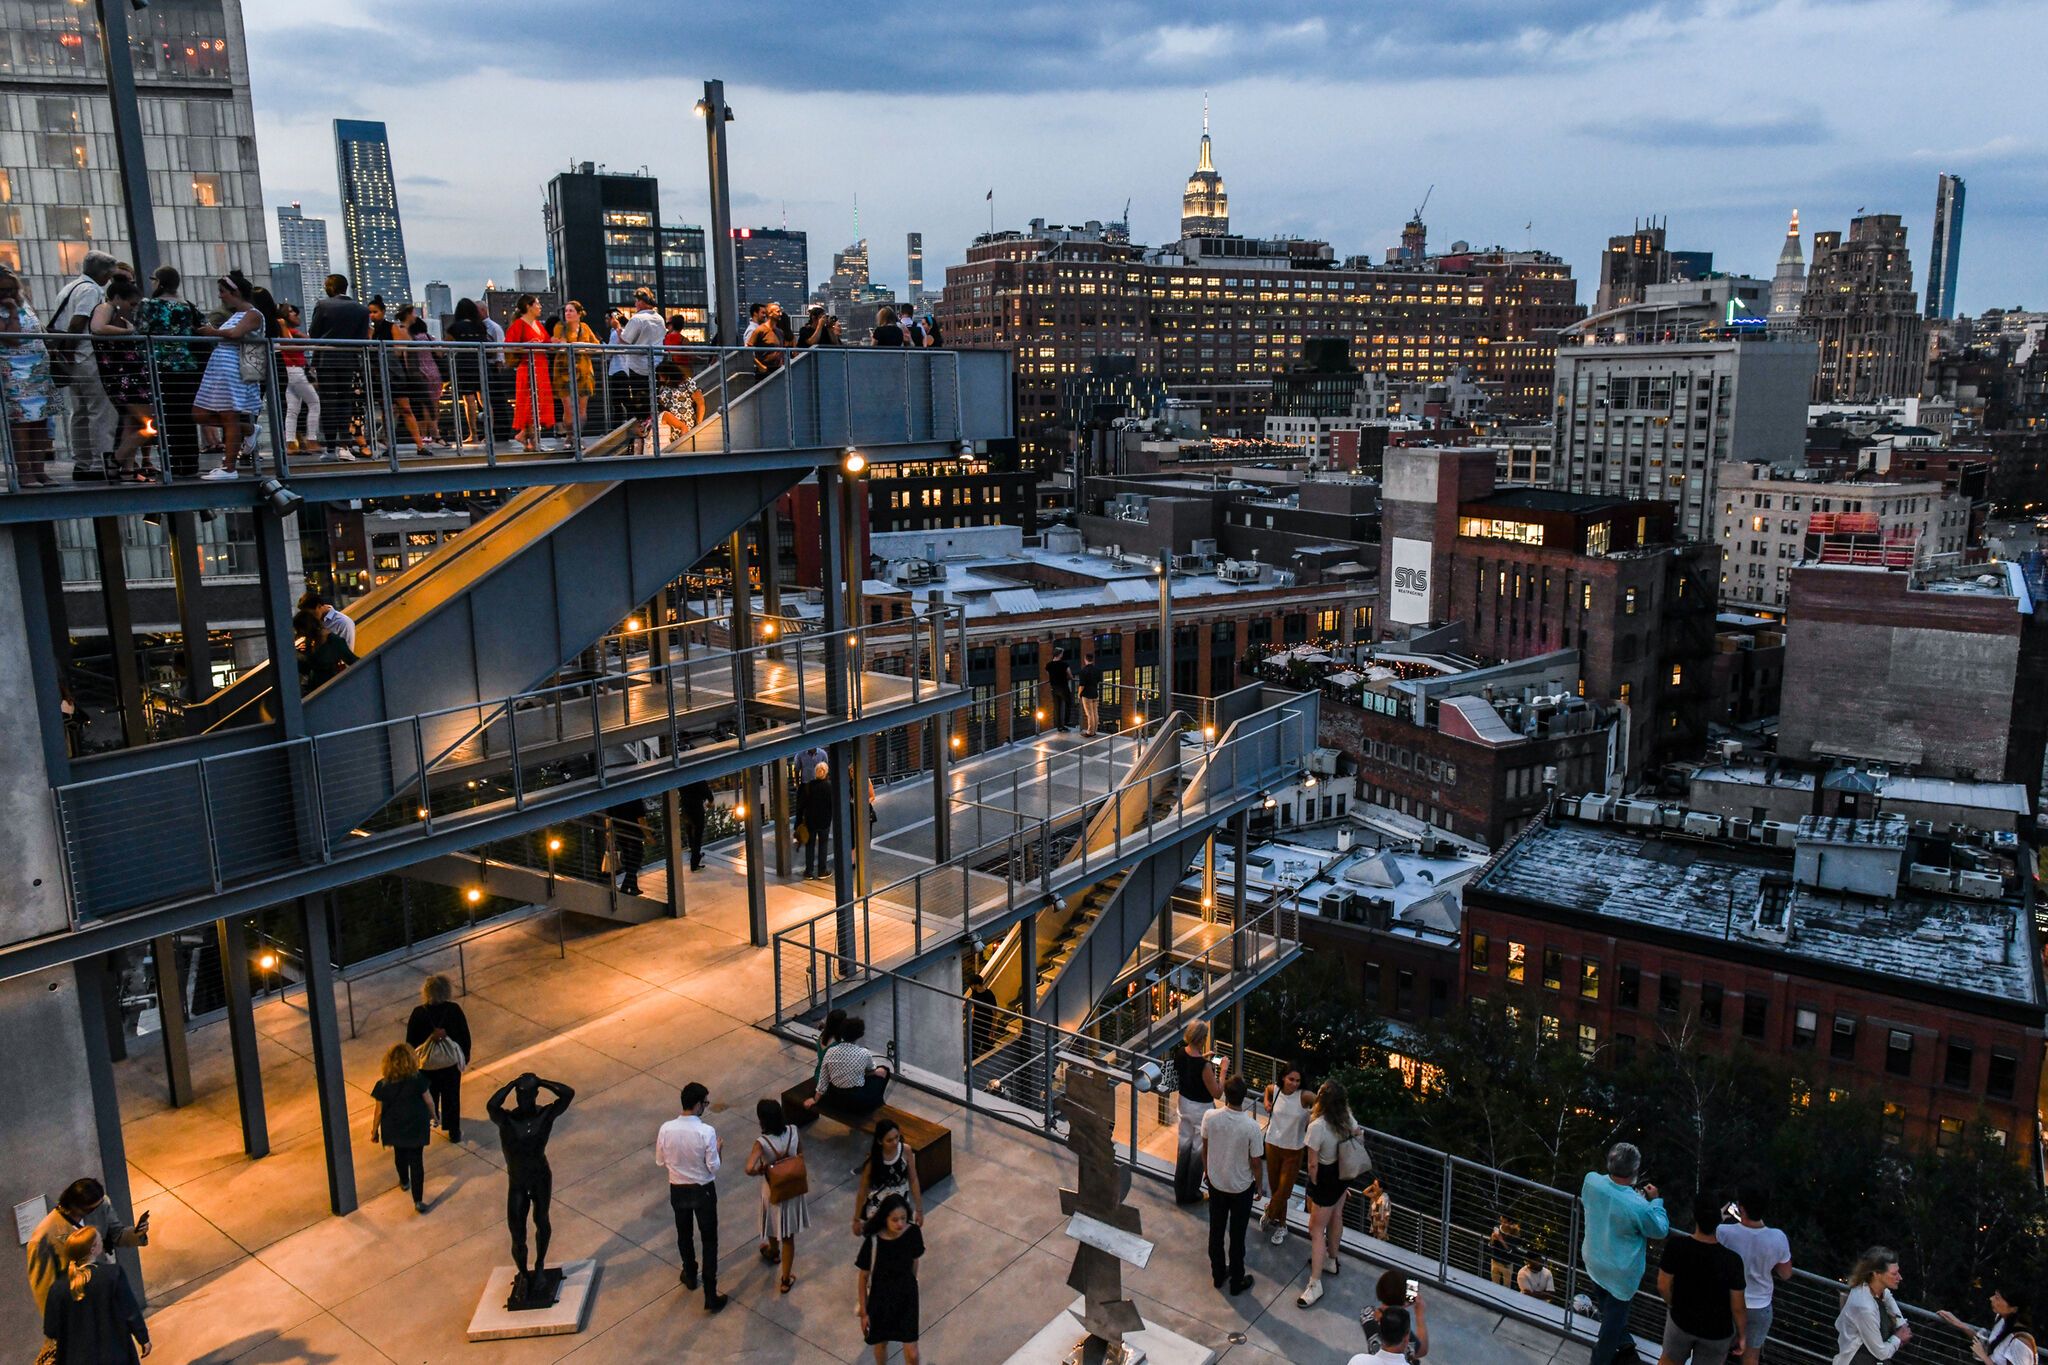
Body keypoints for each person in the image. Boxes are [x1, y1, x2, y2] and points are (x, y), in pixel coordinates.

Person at [25, 1178, 149, 1342]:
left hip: (104, 1296)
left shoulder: (101, 1205)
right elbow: (45, 1291)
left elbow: (117, 1234)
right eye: (90, 1209)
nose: (98, 1209)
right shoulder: (44, 1238)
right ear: (74, 1205)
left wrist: (137, 1234)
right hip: (78, 1309)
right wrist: (59, 1329)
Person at [1580, 1142, 1670, 1365]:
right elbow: (1660, 1229)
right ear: (1634, 1172)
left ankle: (1626, 1343)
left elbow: (1608, 1193)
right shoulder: (1638, 1205)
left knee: (1610, 1315)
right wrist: (1656, 1201)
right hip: (1620, 1275)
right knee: (1609, 1332)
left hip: (1594, 1260)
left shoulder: (1591, 1181)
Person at [486, 1073, 575, 1295]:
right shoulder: (507, 1120)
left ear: (535, 1095)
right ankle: (524, 1274)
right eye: (519, 1095)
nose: (521, 1099)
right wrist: (510, 1084)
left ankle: (540, 1265)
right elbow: (491, 1105)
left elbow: (567, 1094)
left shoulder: (544, 1116)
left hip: (540, 1177)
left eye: (526, 1095)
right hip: (517, 1181)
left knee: (541, 1219)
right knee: (517, 1232)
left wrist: (542, 1081)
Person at [656, 1081, 727, 1312]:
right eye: (705, 1103)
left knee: (683, 1233)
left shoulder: (666, 1128)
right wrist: (718, 1149)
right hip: (703, 1190)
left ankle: (689, 1272)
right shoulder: (706, 1132)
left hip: (677, 1188)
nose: (705, 1107)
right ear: (697, 1105)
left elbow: (660, 1160)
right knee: (709, 1240)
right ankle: (710, 1293)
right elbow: (713, 1167)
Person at [48, 250, 118, 480]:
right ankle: (99, 464)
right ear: (105, 273)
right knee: (101, 411)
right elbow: (79, 320)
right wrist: (70, 350)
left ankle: (82, 462)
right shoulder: (91, 290)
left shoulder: (69, 288)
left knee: (78, 412)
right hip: (86, 357)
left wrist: (65, 352)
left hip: (72, 359)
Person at [134, 266, 209, 476]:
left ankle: (173, 464)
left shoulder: (149, 305)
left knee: (167, 417)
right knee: (186, 417)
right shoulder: (188, 306)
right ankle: (190, 464)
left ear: (159, 282)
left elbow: (139, 330)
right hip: (188, 368)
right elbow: (203, 327)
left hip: (161, 367)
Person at [192, 271, 265, 480]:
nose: (221, 296)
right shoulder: (238, 315)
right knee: (200, 414)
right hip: (222, 370)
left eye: (223, 292)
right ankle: (248, 429)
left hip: (233, 370)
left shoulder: (253, 314)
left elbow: (235, 334)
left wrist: (212, 332)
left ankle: (229, 466)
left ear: (236, 292)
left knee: (228, 415)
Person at [1659, 1192, 1746, 1365]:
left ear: (1694, 1216)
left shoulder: (1677, 1246)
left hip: (1681, 1321)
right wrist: (1742, 1335)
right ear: (1717, 1221)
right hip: (1717, 1332)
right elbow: (1737, 1306)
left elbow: (1663, 1286)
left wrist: (1673, 1304)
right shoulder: (1732, 1260)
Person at [41, 1227, 149, 1365]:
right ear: (93, 1249)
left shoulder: (58, 1287)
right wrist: (143, 1338)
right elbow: (130, 1311)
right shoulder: (113, 1274)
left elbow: (51, 1329)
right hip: (114, 1354)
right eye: (99, 1240)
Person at [1201, 1075, 1264, 1295]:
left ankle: (1218, 1275)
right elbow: (1255, 1161)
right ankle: (1237, 1280)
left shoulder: (1210, 1117)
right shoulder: (1252, 1127)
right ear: (1245, 1096)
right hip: (1240, 1188)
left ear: (1226, 1094)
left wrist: (1208, 1171)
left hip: (1216, 1183)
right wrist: (1259, 1185)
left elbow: (1205, 1147)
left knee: (1215, 1232)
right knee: (1237, 1237)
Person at [87, 276, 155, 479]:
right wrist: (127, 331)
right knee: (150, 422)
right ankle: (116, 459)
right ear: (117, 297)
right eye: (131, 304)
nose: (133, 309)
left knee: (133, 421)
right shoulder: (106, 308)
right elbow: (97, 328)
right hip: (123, 375)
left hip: (131, 373)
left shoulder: (120, 315)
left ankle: (126, 467)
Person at [1296, 1078, 1356, 1308]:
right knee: (1336, 1216)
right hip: (1342, 1175)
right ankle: (1332, 1259)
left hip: (1324, 1179)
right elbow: (1358, 1134)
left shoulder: (1317, 1127)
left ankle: (1315, 1283)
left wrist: (1314, 1184)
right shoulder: (1347, 1120)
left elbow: (1312, 1165)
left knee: (1316, 1229)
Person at [1717, 1184, 1793, 1365]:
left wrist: (1718, 1217)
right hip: (1760, 1306)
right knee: (1751, 1358)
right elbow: (1786, 1273)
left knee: (1717, 1353)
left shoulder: (1724, 1233)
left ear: (1741, 1208)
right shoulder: (1778, 1238)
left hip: (1727, 1303)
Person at [0, 265, 56, 485]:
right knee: (21, 422)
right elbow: (11, 337)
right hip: (15, 372)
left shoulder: (23, 301)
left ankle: (39, 469)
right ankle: (24, 471)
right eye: (2, 290)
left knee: (41, 421)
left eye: (10, 289)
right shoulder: (8, 308)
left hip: (38, 371)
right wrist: (12, 311)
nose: (7, 294)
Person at [745, 1097, 807, 1294]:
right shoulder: (793, 1131)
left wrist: (761, 1170)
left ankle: (773, 1252)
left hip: (773, 1189)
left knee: (772, 1222)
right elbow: (800, 1154)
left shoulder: (761, 1143)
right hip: (793, 1189)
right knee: (789, 1236)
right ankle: (786, 1279)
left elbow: (749, 1168)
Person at [856, 1193, 925, 1364]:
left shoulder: (913, 1233)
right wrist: (864, 1313)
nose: (900, 1223)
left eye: (903, 1218)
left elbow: (915, 1261)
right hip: (880, 1301)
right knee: (881, 1344)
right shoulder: (873, 1242)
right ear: (885, 1218)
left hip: (906, 1299)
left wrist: (910, 1284)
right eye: (895, 1219)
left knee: (912, 1352)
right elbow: (862, 1278)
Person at [308, 273, 369, 460]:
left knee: (328, 402)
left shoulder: (323, 305)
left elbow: (313, 333)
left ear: (331, 288)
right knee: (345, 402)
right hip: (349, 359)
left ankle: (330, 448)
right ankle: (345, 445)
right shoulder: (361, 309)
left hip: (326, 359)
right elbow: (361, 339)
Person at [405, 972, 471, 1142]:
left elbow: (410, 1041)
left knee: (429, 1095)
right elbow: (464, 1036)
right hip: (449, 1065)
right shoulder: (454, 1010)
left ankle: (428, 1122)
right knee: (452, 1097)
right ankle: (453, 1131)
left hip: (427, 1066)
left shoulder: (418, 1013)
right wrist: (464, 1057)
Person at [369, 1043, 435, 1212]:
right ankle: (418, 1200)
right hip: (416, 1125)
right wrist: (435, 1116)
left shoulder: (383, 1085)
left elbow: (378, 1111)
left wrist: (374, 1131)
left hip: (394, 1126)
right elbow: (428, 1101)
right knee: (416, 1161)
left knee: (399, 1154)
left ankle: (404, 1181)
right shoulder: (418, 1080)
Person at [1170, 1019, 1225, 1204]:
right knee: (1198, 1152)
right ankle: (1192, 1193)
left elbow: (1188, 1068)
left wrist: (1204, 1056)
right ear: (1202, 1039)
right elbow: (1217, 1092)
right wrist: (1223, 1072)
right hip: (1201, 1110)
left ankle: (1180, 1190)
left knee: (1183, 1147)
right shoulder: (1205, 1066)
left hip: (1183, 1104)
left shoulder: (1180, 1053)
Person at [1831, 1248, 1911, 1365]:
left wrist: (1900, 1324)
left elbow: (1887, 1297)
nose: (1900, 1277)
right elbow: (1881, 1353)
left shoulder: (1873, 1289)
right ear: (1876, 1274)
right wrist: (1898, 1338)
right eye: (1894, 1274)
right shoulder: (1865, 1307)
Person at [1260, 1062, 1310, 1243]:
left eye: (1298, 1080)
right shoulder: (1276, 1090)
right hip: (1272, 1143)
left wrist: (1312, 1120)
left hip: (1294, 1149)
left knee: (1284, 1191)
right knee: (1275, 1188)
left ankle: (1271, 1212)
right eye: (1291, 1079)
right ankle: (1282, 1225)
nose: (1295, 1083)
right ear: (1283, 1078)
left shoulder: (1304, 1096)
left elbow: (1323, 1103)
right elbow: (1267, 1089)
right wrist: (1266, 1102)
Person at [852, 1117, 923, 1234]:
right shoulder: (873, 1160)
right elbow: (863, 1190)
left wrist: (919, 1210)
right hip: (878, 1209)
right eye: (889, 1140)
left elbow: (914, 1180)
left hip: (901, 1207)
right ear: (880, 1141)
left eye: (897, 1137)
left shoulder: (906, 1151)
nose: (895, 1143)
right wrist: (856, 1219)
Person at [505, 294, 553, 452]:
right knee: (529, 402)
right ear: (528, 306)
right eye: (537, 303)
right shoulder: (519, 325)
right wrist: (526, 344)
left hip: (540, 367)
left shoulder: (538, 324)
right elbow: (508, 346)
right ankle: (530, 439)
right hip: (528, 368)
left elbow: (547, 344)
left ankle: (529, 440)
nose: (540, 306)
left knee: (537, 402)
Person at [615, 289, 665, 437]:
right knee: (653, 399)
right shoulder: (660, 319)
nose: (635, 304)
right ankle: (654, 430)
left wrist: (617, 328)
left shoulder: (637, 319)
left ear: (642, 302)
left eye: (637, 301)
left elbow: (625, 340)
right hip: (656, 364)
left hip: (638, 366)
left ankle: (643, 433)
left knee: (639, 401)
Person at [1940, 1287, 2034, 1365]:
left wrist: (1984, 1356)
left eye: (1997, 1298)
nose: (1991, 1298)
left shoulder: (2021, 1342)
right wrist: (1959, 1324)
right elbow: (1988, 1346)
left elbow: (1985, 1353)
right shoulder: (2001, 1321)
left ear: (2014, 1309)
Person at [820, 1016, 892, 1113]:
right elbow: (871, 1070)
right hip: (855, 1102)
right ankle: (877, 1101)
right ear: (860, 1034)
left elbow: (823, 1078)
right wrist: (873, 1072)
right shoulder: (863, 1053)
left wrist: (815, 1099)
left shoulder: (831, 1051)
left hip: (835, 1098)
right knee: (884, 1070)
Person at [277, 302, 321, 456]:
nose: (295, 314)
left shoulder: (291, 332)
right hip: (294, 371)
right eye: (291, 312)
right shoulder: (285, 331)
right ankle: (312, 440)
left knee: (293, 409)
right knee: (314, 403)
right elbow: (294, 347)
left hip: (291, 371)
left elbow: (307, 340)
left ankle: (290, 443)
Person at [444, 297, 489, 445]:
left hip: (463, 365)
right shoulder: (480, 326)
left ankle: (473, 434)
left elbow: (445, 346)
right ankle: (489, 434)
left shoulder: (455, 327)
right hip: (480, 363)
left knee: (468, 401)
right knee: (485, 401)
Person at [551, 300, 598, 440]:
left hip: (583, 371)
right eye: (566, 311)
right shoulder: (560, 327)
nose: (568, 313)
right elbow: (557, 343)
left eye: (571, 311)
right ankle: (569, 436)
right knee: (568, 407)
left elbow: (596, 345)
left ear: (578, 314)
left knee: (582, 408)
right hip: (564, 371)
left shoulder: (585, 328)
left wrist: (581, 345)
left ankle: (578, 436)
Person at [293, 609, 355, 690]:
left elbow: (352, 660)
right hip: (316, 687)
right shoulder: (309, 641)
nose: (298, 633)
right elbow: (307, 667)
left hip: (332, 686)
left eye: (299, 629)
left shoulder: (333, 640)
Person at [655, 358, 705, 443]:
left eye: (662, 376)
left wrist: (698, 424)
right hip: (669, 426)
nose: (660, 379)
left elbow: (700, 402)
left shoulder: (687, 382)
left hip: (685, 424)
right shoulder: (662, 387)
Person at [801, 762, 835, 880]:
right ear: (826, 773)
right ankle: (822, 870)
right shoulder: (829, 786)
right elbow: (832, 804)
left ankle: (809, 871)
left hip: (810, 820)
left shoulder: (809, 786)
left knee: (809, 845)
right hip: (824, 820)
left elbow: (804, 803)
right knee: (823, 844)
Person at [607, 796, 646, 895]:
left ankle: (633, 887)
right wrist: (649, 836)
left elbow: (609, 817)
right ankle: (625, 887)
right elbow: (641, 818)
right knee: (636, 860)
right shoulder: (635, 797)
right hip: (634, 832)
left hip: (620, 832)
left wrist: (609, 832)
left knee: (630, 861)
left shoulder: (614, 799)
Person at [679, 778, 712, 873]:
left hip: (685, 810)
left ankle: (695, 855)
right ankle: (694, 863)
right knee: (697, 835)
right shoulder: (698, 778)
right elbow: (708, 795)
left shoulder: (683, 779)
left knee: (690, 834)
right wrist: (709, 803)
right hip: (696, 810)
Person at [965, 970, 998, 1056]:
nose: (970, 987)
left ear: (976, 984)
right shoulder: (974, 992)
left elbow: (994, 1012)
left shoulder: (988, 994)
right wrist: (972, 1018)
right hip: (977, 1020)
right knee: (973, 1043)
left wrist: (993, 1028)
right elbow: (975, 1006)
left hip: (987, 1022)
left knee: (987, 1045)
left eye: (971, 985)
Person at [1044, 647, 1074, 732]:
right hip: (1063, 687)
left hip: (1054, 688)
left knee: (1057, 707)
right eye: (1062, 653)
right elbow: (1070, 676)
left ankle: (1059, 726)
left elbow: (1049, 676)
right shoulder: (1064, 664)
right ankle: (1066, 722)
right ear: (1060, 654)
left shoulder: (1049, 665)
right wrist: (1067, 678)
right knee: (1068, 703)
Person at [1489, 1213, 1523, 1287]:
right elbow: (1491, 1246)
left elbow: (1510, 1251)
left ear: (1510, 1222)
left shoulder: (1514, 1234)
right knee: (1494, 1285)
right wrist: (1492, 1238)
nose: (1502, 1224)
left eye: (1505, 1222)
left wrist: (1501, 1240)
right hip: (1495, 1260)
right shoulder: (1497, 1229)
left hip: (1506, 1264)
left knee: (1506, 1286)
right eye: (1502, 1221)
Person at [1076, 650, 1104, 736]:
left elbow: (1082, 685)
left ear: (1085, 659)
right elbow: (1099, 680)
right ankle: (1094, 730)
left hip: (1086, 694)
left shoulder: (1083, 671)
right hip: (1095, 693)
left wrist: (1079, 694)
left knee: (1089, 714)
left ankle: (1090, 732)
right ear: (1092, 659)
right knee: (1095, 713)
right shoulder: (1097, 670)